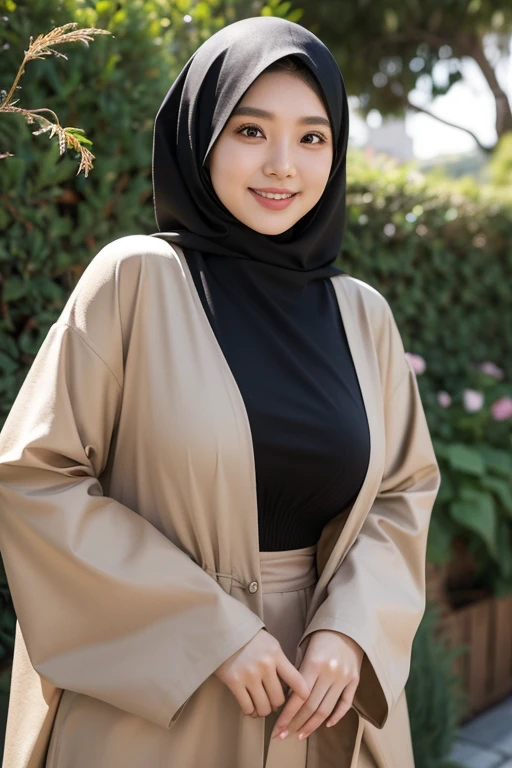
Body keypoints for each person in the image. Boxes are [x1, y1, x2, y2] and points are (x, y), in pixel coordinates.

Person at [0, 15, 441, 768]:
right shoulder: (134, 279)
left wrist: (353, 629)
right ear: (200, 136)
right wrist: (210, 632)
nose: (282, 165)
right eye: (249, 131)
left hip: (320, 698)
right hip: (161, 705)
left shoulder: (362, 313)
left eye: (312, 137)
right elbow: (35, 479)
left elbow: (402, 493)